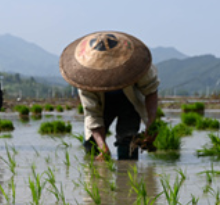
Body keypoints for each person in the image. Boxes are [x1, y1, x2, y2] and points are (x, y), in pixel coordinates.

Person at [59, 31, 160, 160]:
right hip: (103, 102)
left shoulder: (136, 64)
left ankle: (127, 176)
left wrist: (151, 123)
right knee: (93, 145)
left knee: (128, 142)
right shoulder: (86, 79)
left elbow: (150, 90)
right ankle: (96, 177)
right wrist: (103, 147)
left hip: (129, 100)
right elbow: (93, 115)